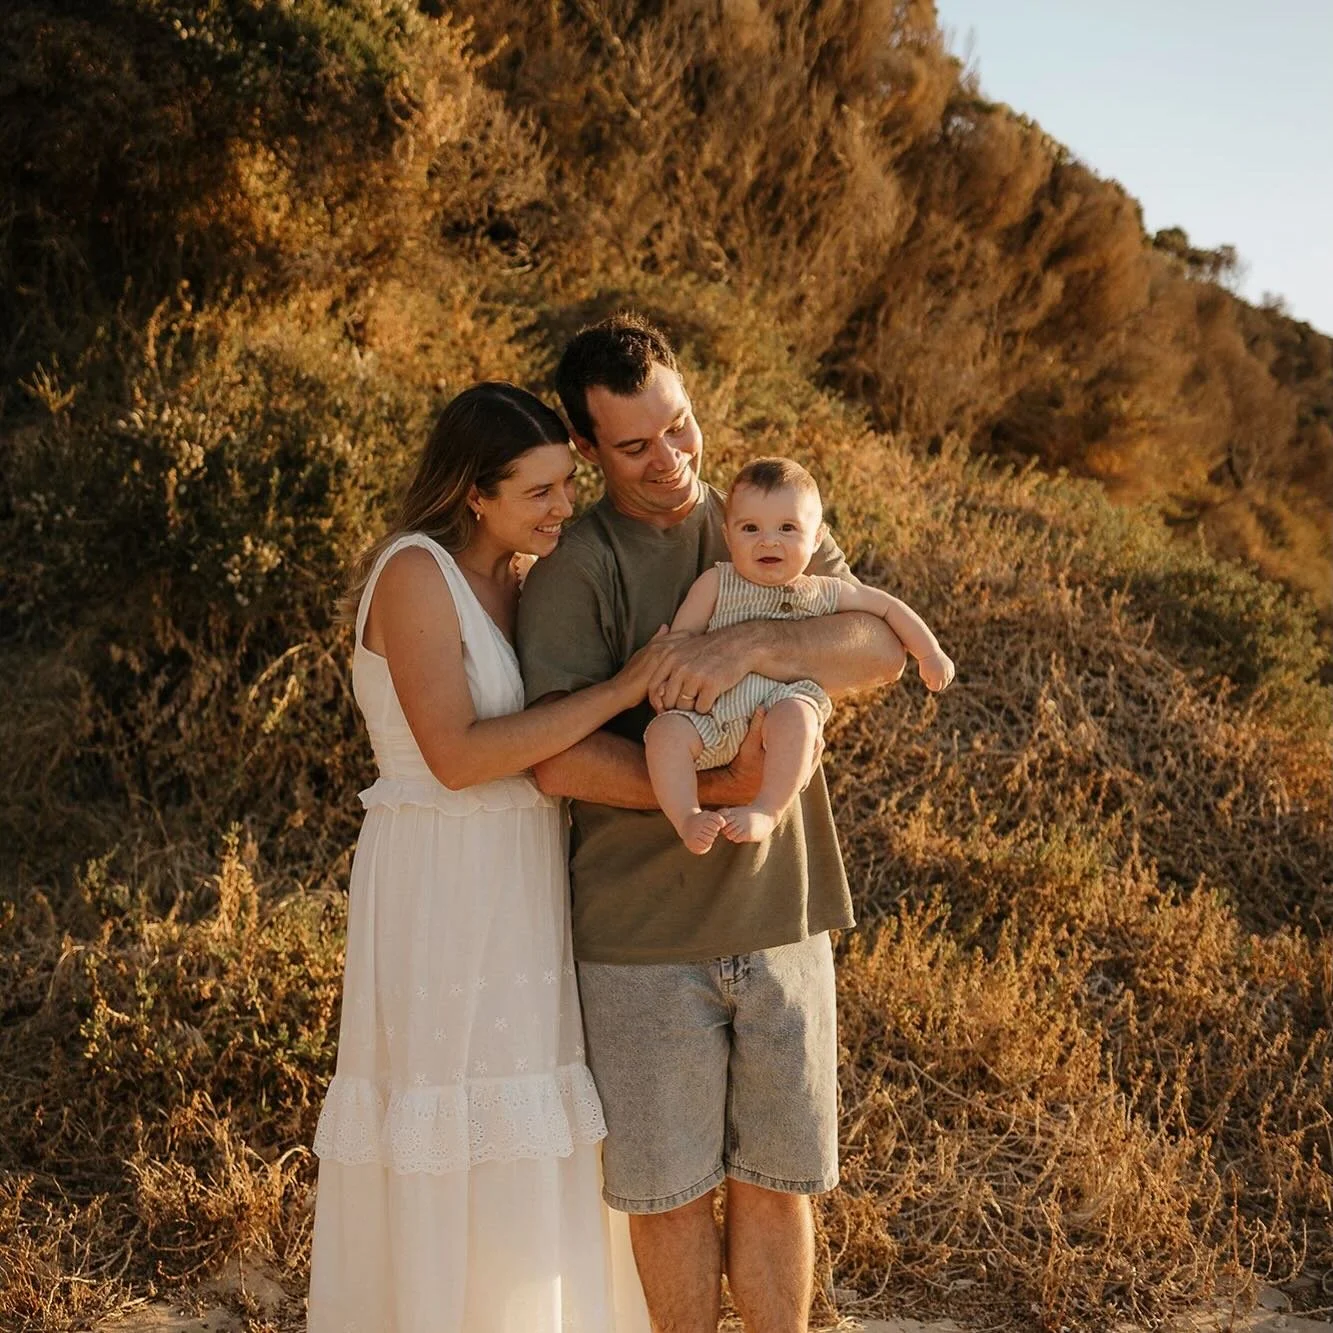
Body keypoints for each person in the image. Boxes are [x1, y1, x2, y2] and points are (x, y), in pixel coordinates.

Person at [516, 314, 911, 1333]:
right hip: (641, 939)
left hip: (782, 915)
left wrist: (746, 650)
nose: (670, 459)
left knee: (779, 1185)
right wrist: (720, 785)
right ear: (586, 448)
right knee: (670, 1196)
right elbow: (556, 757)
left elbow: (877, 647)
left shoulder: (759, 516)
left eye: (679, 426)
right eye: (634, 445)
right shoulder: (574, 566)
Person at [307, 382, 656, 1333]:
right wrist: (617, 689)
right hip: (438, 875)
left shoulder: (527, 576)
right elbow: (457, 756)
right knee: (445, 1105)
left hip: (522, 869)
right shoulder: (413, 572)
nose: (562, 506)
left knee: (523, 1107)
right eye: (539, 491)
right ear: (474, 491)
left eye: (567, 483)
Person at [646, 455, 954, 853]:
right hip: (711, 717)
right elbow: (681, 642)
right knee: (665, 735)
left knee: (799, 718)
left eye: (787, 528)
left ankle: (767, 809)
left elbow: (887, 608)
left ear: (817, 537)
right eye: (750, 528)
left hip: (780, 707)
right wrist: (663, 678)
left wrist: (929, 652)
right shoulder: (715, 583)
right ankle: (687, 815)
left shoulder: (823, 591)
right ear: (728, 535)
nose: (768, 541)